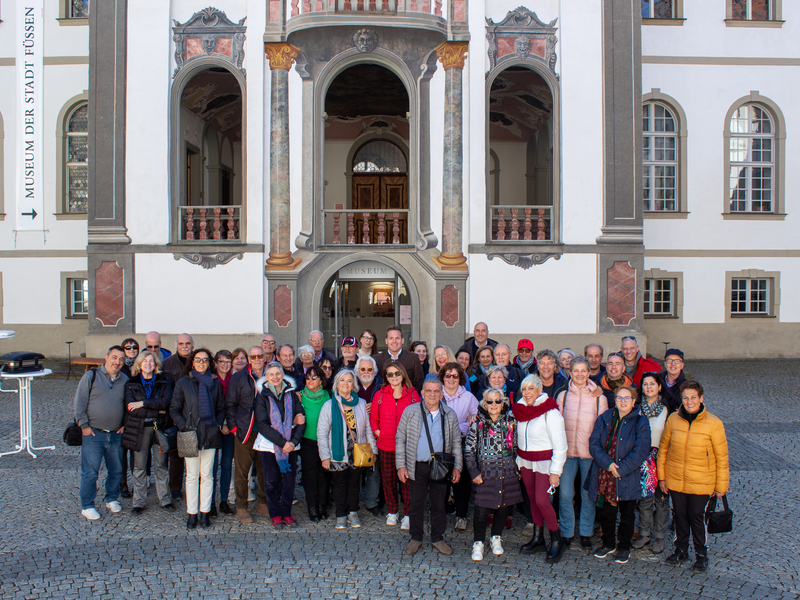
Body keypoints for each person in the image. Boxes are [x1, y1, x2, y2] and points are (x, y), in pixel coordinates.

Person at [658, 381, 729, 573]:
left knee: (697, 518)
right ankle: (680, 549)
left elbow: (722, 457)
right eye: (686, 398)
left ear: (701, 398)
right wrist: (662, 478)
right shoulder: (673, 419)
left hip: (702, 481)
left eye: (693, 398)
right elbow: (663, 449)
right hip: (676, 479)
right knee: (679, 516)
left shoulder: (714, 423)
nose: (689, 402)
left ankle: (701, 554)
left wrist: (721, 486)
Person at [395, 376, 463, 556]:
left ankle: (437, 538)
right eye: (428, 391)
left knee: (439, 504)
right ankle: (415, 538)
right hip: (417, 466)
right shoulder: (410, 412)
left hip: (441, 467)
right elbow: (400, 439)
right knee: (415, 504)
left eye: (436, 391)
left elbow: (456, 442)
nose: (432, 394)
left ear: (441, 394)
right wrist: (401, 465)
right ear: (422, 393)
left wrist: (457, 467)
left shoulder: (449, 414)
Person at [586, 386, 651, 564]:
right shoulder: (604, 418)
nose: (622, 401)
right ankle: (608, 543)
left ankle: (624, 546)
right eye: (619, 398)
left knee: (627, 514)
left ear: (633, 401)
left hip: (628, 476)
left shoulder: (641, 422)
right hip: (605, 475)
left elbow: (641, 450)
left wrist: (620, 469)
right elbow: (594, 444)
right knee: (607, 513)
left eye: (626, 398)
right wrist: (608, 464)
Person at [512, 374, 568, 563]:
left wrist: (555, 472)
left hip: (545, 463)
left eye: (531, 389)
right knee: (532, 500)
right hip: (526, 461)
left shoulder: (550, 412)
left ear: (540, 390)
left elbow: (561, 445)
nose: (527, 393)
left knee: (542, 500)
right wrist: (519, 460)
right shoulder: (519, 409)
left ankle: (556, 539)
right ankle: (538, 538)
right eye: (524, 389)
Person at [556, 356, 609, 549]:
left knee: (587, 495)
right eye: (575, 370)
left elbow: (603, 428)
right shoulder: (562, 395)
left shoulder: (599, 398)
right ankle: (567, 531)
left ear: (589, 373)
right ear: (570, 372)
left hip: (590, 453)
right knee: (565, 494)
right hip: (568, 452)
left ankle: (585, 532)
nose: (579, 374)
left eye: (583, 371)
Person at [170, 348, 225, 529]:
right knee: (192, 476)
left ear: (210, 363)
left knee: (207, 475)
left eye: (205, 360)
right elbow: (174, 409)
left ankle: (205, 512)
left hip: (210, 433)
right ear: (192, 362)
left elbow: (220, 408)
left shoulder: (215, 383)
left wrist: (217, 424)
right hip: (190, 434)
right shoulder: (183, 383)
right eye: (198, 360)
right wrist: (184, 426)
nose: (201, 363)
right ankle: (191, 513)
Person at [465, 388, 523, 561]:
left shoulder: (512, 422)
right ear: (484, 403)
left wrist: (518, 468)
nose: (494, 405)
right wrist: (474, 472)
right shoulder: (477, 425)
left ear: (503, 403)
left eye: (497, 401)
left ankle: (496, 537)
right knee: (481, 510)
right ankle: (478, 542)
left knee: (503, 507)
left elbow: (518, 447)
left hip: (507, 473)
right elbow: (468, 450)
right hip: (485, 474)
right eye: (490, 401)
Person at [317, 369, 377, 529]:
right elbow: (322, 433)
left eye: (349, 381)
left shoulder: (362, 404)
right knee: (339, 484)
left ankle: (353, 512)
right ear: (337, 384)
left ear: (353, 385)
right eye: (342, 380)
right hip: (338, 452)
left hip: (357, 452)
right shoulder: (329, 406)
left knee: (354, 483)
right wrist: (324, 456)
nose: (346, 383)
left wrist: (374, 450)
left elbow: (368, 429)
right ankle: (341, 514)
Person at [74, 346, 129, 520]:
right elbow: (79, 403)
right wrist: (84, 426)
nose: (117, 362)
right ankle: (87, 505)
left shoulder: (125, 380)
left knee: (117, 469)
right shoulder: (92, 376)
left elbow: (128, 405)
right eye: (114, 357)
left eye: (121, 359)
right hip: (93, 434)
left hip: (115, 434)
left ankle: (111, 498)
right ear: (106, 357)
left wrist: (125, 424)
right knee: (90, 471)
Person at [121, 350, 175, 514]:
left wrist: (143, 403)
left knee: (162, 465)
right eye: (145, 361)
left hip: (159, 428)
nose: (148, 364)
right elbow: (131, 409)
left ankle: (165, 499)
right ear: (139, 364)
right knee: (140, 466)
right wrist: (156, 409)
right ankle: (138, 501)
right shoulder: (132, 383)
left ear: (156, 364)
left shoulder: (164, 381)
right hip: (140, 429)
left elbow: (166, 402)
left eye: (151, 361)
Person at [254, 362, 305, 528]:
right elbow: (262, 424)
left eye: (278, 373)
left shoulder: (291, 394)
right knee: (270, 481)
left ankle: (286, 512)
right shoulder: (262, 396)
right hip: (270, 445)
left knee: (289, 482)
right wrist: (283, 443)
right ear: (266, 377)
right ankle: (275, 514)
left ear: (283, 374)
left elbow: (301, 419)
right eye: (271, 374)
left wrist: (293, 442)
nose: (275, 377)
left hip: (291, 445)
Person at [371, 361, 420, 527]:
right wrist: (378, 431)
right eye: (390, 374)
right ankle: (392, 511)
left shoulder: (413, 394)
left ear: (402, 375)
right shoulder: (380, 395)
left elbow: (419, 417)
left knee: (406, 481)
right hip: (386, 444)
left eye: (397, 373)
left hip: (407, 447)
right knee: (388, 480)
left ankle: (408, 513)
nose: (394, 377)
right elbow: (374, 418)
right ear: (386, 377)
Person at [226, 346, 270, 523]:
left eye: (260, 355)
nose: (257, 358)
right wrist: (234, 428)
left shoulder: (271, 375)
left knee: (264, 469)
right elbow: (230, 404)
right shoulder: (239, 378)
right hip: (246, 430)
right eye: (254, 356)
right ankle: (241, 506)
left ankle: (262, 502)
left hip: (267, 431)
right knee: (242, 472)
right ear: (249, 359)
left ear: (264, 357)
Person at [632, 372, 671, 553]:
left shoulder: (667, 409)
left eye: (652, 384)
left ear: (659, 386)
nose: (649, 387)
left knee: (661, 500)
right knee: (645, 500)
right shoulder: (637, 409)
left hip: (661, 459)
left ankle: (660, 536)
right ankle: (645, 533)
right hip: (643, 459)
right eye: (645, 384)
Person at [438, 362, 479, 531]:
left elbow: (475, 419)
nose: (451, 379)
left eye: (455, 375)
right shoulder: (436, 394)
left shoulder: (468, 397)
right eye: (448, 375)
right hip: (439, 443)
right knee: (440, 480)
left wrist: (461, 427)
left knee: (460, 481)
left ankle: (461, 516)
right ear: (442, 377)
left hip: (461, 442)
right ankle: (439, 515)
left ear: (460, 378)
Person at [163, 333, 194, 500]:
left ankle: (193, 485)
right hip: (173, 414)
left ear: (192, 346)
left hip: (193, 415)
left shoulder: (197, 362)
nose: (185, 346)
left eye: (188, 343)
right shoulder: (167, 364)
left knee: (193, 452)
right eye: (181, 343)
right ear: (176, 345)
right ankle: (175, 487)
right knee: (175, 455)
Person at [298, 366, 331, 522]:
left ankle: (322, 505)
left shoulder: (328, 395)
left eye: (314, 377)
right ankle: (312, 507)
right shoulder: (299, 396)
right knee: (310, 476)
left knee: (324, 475)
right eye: (308, 377)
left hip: (325, 442)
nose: (310, 380)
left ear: (321, 380)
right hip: (308, 442)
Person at [355, 355, 383, 517]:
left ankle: (372, 502)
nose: (366, 372)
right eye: (363, 369)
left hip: (375, 433)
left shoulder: (381, 385)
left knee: (374, 471)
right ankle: (354, 502)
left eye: (369, 369)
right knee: (356, 471)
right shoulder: (351, 383)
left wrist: (377, 405)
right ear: (358, 371)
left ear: (375, 371)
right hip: (356, 433)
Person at [212, 350, 235, 515]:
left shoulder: (234, 380)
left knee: (227, 465)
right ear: (216, 363)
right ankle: (210, 501)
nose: (225, 365)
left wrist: (229, 424)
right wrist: (221, 423)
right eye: (222, 362)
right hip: (214, 427)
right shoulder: (211, 381)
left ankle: (224, 500)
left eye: (228, 362)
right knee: (211, 467)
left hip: (230, 428)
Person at [119, 337, 140, 498]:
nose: (131, 350)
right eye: (128, 348)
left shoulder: (140, 367)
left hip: (135, 417)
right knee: (120, 455)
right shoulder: (119, 368)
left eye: (134, 347)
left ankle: (137, 485)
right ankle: (122, 484)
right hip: (120, 418)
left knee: (135, 455)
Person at [375, 326, 424, 391]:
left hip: (408, 399)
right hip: (385, 399)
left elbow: (419, 383)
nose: (394, 341)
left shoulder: (413, 358)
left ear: (402, 340)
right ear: (386, 341)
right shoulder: (376, 359)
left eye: (397, 338)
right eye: (391, 338)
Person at [660, 348, 687, 413]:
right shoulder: (656, 381)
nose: (673, 364)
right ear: (665, 364)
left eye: (677, 361)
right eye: (669, 360)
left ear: (682, 365)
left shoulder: (687, 385)